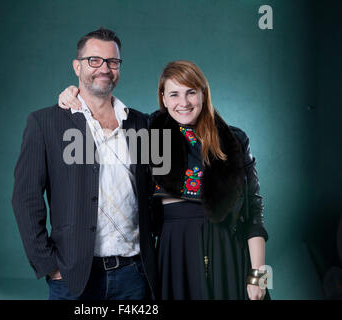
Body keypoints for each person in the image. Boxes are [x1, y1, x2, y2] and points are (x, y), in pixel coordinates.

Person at [58, 60, 269, 300]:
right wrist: (73, 93)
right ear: (164, 98)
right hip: (173, 256)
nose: (184, 102)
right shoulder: (150, 134)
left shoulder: (235, 139)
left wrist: (259, 276)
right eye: (174, 94)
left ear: (204, 94)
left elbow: (254, 211)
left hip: (228, 254)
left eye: (191, 92)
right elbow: (103, 114)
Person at [12, 28, 157, 300]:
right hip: (74, 278)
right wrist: (50, 265)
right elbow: (25, 198)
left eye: (112, 62)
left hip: (135, 277)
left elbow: (154, 190)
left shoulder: (142, 124)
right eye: (94, 60)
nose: (104, 68)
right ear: (77, 66)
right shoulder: (45, 123)